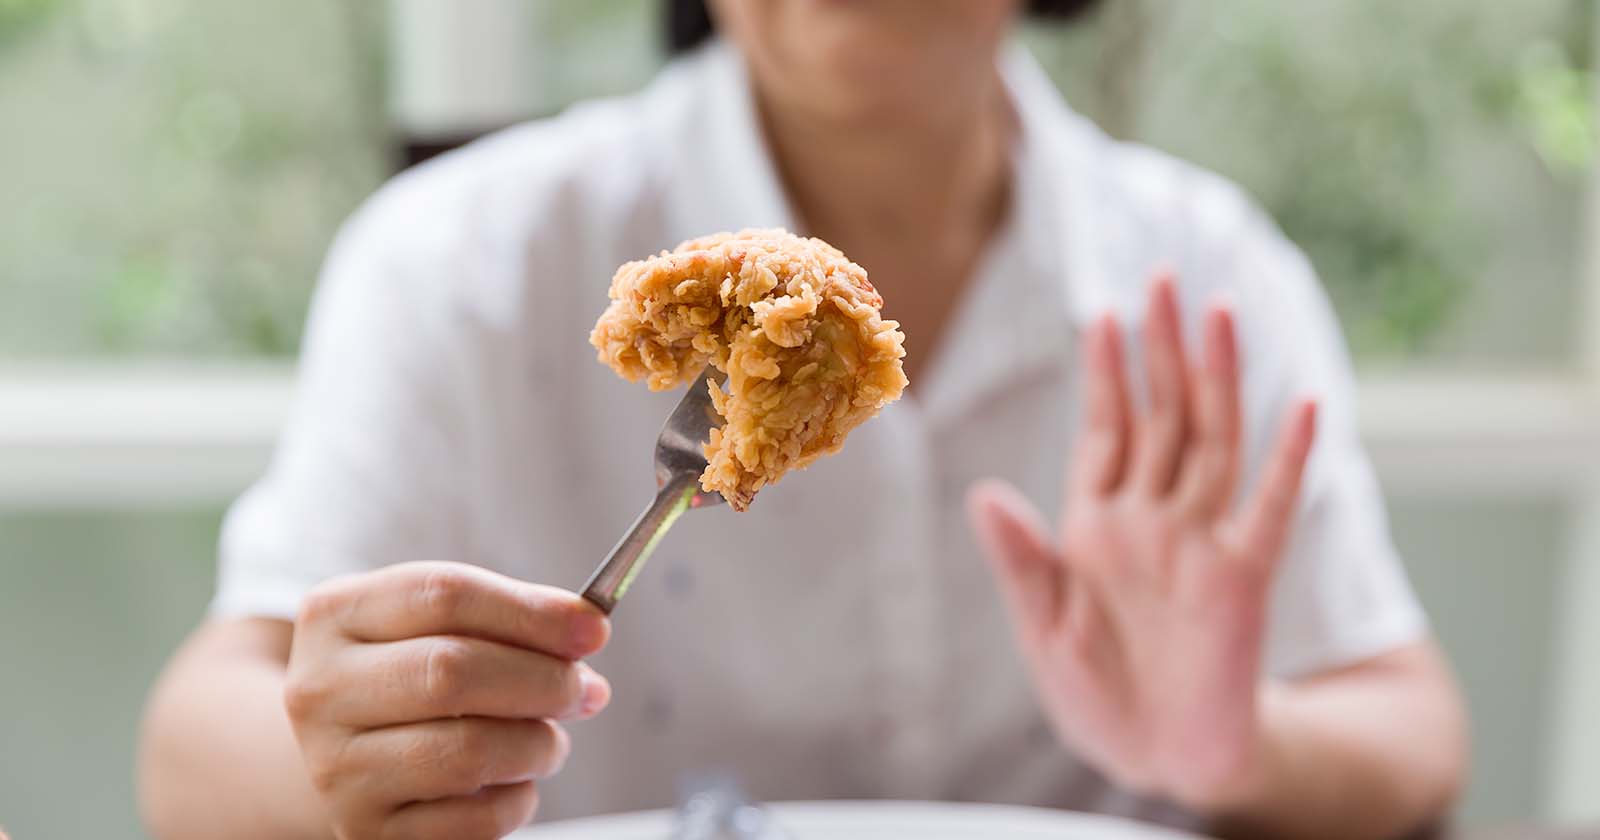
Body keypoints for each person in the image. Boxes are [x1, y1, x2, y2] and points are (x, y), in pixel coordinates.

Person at [137, 1, 1467, 838]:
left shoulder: (1212, 274)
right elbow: (198, 743)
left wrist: (1235, 748)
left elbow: (1410, 735)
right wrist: (348, 753)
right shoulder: (459, 263)